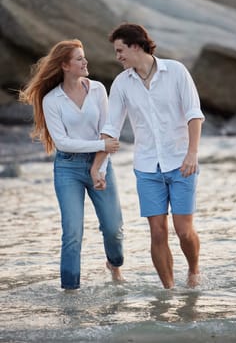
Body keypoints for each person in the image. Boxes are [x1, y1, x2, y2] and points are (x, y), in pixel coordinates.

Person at [91, 23, 205, 289]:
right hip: (146, 167)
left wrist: (192, 154)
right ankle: (169, 291)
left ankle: (194, 269)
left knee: (184, 231)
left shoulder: (175, 71)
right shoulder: (121, 83)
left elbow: (193, 114)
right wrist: (98, 166)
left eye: (120, 50)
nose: (117, 56)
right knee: (157, 232)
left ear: (136, 45)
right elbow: (111, 129)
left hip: (180, 162)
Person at [19, 39, 124, 290]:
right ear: (65, 65)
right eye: (79, 58)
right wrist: (100, 147)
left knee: (113, 229)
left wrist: (98, 166)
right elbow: (64, 144)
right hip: (68, 169)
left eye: (84, 57)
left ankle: (114, 264)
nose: (85, 62)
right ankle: (70, 292)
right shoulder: (51, 100)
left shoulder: (98, 89)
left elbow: (106, 131)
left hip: (101, 164)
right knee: (72, 233)